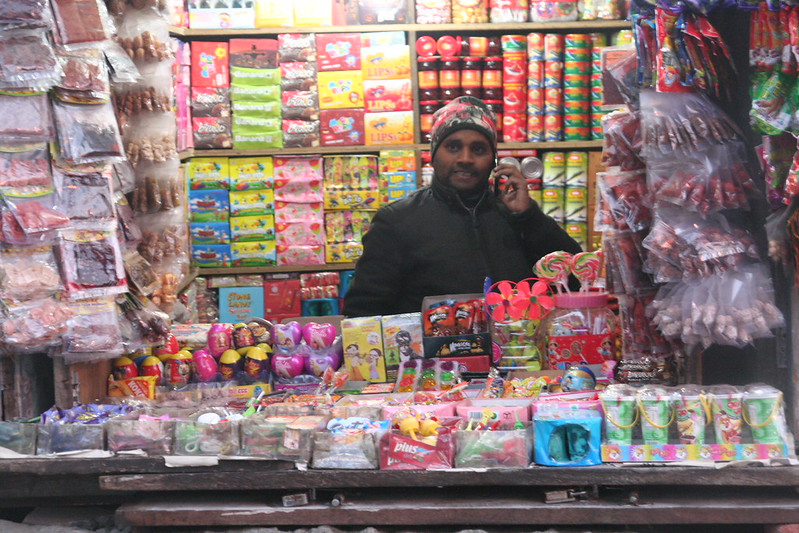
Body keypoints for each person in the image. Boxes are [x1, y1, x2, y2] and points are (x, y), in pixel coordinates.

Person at [343, 96, 582, 317]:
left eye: (478, 149)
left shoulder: (518, 216)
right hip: (432, 362)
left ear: (493, 160)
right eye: (453, 147)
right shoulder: (397, 221)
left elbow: (576, 281)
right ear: (433, 155)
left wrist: (529, 217)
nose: (465, 159)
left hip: (520, 357)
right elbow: (363, 313)